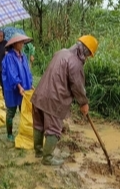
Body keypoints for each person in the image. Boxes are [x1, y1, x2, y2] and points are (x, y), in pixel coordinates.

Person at [31, 35, 98, 166]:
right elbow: (77, 86)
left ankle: (38, 152)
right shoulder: (75, 63)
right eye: (89, 54)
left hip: (40, 93)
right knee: (54, 129)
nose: (88, 57)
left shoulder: (61, 52)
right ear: (85, 51)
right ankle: (47, 158)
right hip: (54, 100)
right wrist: (83, 103)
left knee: (38, 124)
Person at [2, 33, 33, 141]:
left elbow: (27, 72)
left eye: (23, 42)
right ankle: (9, 134)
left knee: (24, 110)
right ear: (14, 44)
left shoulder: (23, 56)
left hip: (24, 88)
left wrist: (30, 84)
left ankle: (24, 131)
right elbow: (12, 74)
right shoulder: (9, 57)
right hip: (13, 89)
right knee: (11, 111)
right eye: (20, 42)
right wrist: (19, 86)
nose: (22, 44)